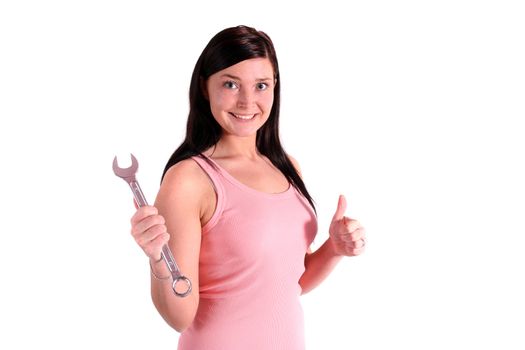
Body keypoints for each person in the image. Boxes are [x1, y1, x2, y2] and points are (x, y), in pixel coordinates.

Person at [129, 25, 366, 350]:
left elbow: (287, 283)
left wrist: (334, 248)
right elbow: (179, 317)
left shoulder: (287, 167)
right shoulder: (189, 179)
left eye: (261, 85)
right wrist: (158, 259)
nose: (247, 101)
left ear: (274, 88)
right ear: (204, 87)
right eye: (230, 84)